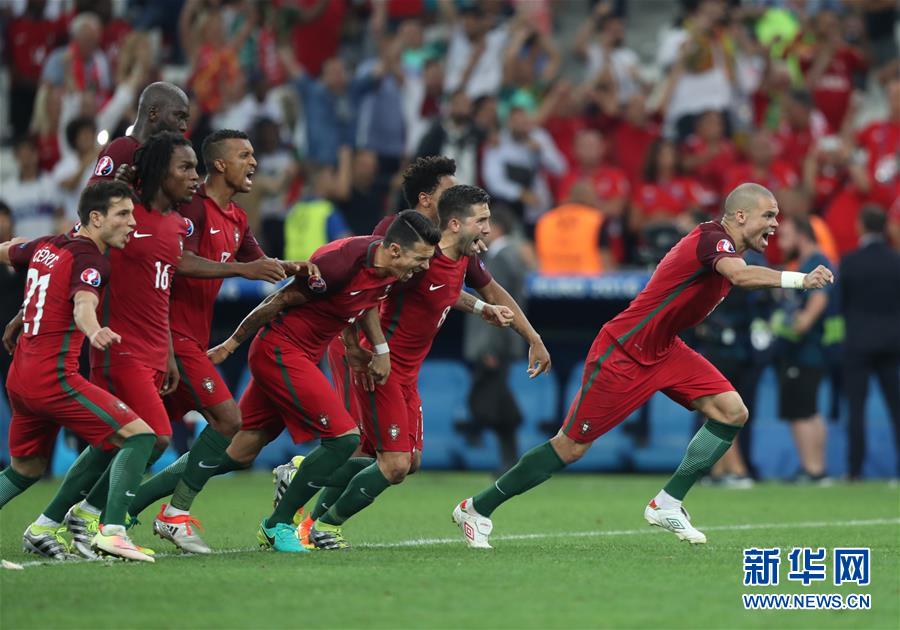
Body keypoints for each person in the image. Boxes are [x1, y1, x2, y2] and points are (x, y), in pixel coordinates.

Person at [452, 183, 834, 548]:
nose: (775, 224)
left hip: (665, 349)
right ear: (739, 215)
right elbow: (739, 276)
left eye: (777, 216)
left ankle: (668, 503)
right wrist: (800, 280)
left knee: (732, 411)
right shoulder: (713, 238)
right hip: (624, 351)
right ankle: (477, 508)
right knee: (569, 448)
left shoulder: (728, 246)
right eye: (768, 215)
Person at [121, 130, 313, 553]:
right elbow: (179, 260)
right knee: (228, 420)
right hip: (168, 333)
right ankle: (174, 513)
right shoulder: (192, 209)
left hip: (187, 337)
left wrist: (295, 267)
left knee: (144, 436)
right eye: (245, 155)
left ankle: (97, 509)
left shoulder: (237, 217)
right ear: (220, 164)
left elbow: (258, 261)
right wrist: (244, 272)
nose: (254, 163)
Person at [205, 211, 440, 552]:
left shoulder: (397, 265)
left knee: (240, 451)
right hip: (284, 350)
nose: (424, 267)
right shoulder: (341, 262)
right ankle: (284, 523)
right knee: (350, 441)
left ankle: (150, 498)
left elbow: (366, 299)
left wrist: (380, 348)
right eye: (420, 259)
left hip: (310, 353)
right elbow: (280, 299)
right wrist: (230, 345)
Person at [302, 185, 516, 549]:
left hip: (409, 373)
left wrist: (485, 309)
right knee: (394, 464)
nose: (486, 228)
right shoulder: (412, 254)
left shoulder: (456, 258)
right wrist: (370, 349)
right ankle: (322, 521)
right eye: (481, 220)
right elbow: (367, 294)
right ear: (449, 218)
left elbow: (446, 292)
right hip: (381, 367)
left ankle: (303, 490)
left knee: (407, 461)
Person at [21, 132, 196, 559]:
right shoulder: (103, 238)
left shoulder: (172, 224)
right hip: (118, 348)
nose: (195, 176)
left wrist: (169, 349)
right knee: (151, 436)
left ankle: (56, 521)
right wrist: (89, 326)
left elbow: (163, 286)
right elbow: (80, 281)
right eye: (186, 166)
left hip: (152, 349)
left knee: (111, 441)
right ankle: (106, 523)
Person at [0, 181, 156, 562]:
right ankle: (112, 532)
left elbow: (5, 250)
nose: (132, 223)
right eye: (123, 214)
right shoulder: (90, 259)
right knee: (139, 437)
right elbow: (83, 306)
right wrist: (94, 329)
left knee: (26, 467)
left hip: (20, 377)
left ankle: (42, 528)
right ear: (96, 218)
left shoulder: (46, 245)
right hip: (53, 380)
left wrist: (24, 314)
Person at [839, 206, 900, 479]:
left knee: (856, 409)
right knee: (896, 408)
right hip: (892, 343)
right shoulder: (896, 261)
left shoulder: (850, 262)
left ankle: (855, 470)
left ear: (860, 226)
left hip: (858, 343)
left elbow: (841, 304)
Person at [771, 216, 833, 482]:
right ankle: (815, 468)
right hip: (809, 350)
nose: (781, 240)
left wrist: (793, 323)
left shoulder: (815, 264)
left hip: (805, 350)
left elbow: (816, 303)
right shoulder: (807, 263)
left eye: (786, 233)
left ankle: (813, 469)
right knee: (809, 410)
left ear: (802, 235)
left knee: (802, 411)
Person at [88, 81, 190, 184]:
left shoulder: (169, 157)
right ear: (153, 114)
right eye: (179, 116)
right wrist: (123, 188)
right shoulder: (121, 149)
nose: (184, 127)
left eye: (185, 120)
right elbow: (93, 196)